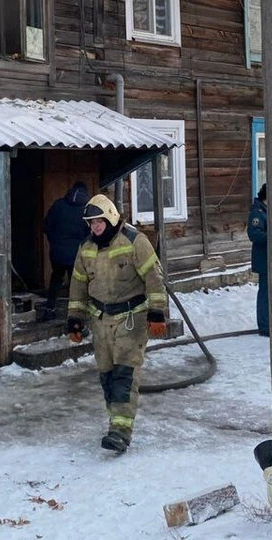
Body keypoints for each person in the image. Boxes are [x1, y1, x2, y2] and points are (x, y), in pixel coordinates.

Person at [67, 193, 169, 452]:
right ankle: (115, 421)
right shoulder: (86, 248)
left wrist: (157, 313)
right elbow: (78, 285)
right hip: (101, 321)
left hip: (131, 320)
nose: (95, 227)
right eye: (91, 223)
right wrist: (75, 319)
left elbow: (155, 279)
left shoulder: (135, 242)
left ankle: (121, 432)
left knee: (124, 375)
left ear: (110, 217)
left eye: (98, 222)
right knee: (107, 376)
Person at [38, 181, 89, 321]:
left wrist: (54, 241)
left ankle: (50, 308)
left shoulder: (59, 205)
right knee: (77, 285)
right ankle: (76, 316)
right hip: (76, 254)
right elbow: (90, 232)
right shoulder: (87, 209)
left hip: (58, 252)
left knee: (56, 279)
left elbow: (46, 225)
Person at [248, 183, 269, 335]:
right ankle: (264, 326)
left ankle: (271, 321)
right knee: (265, 293)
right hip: (263, 258)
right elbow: (254, 234)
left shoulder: (268, 211)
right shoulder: (258, 212)